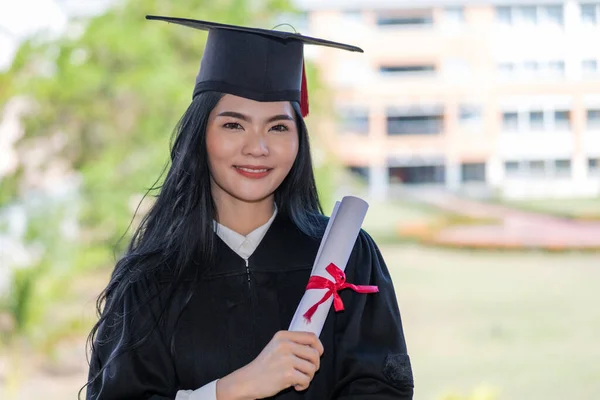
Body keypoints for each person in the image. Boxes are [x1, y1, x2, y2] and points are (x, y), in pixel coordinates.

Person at [83, 15, 414, 400]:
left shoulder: (346, 257)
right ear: (199, 134)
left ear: (298, 141)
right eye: (233, 125)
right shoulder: (150, 279)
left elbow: (382, 388)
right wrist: (232, 389)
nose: (257, 147)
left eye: (278, 127)